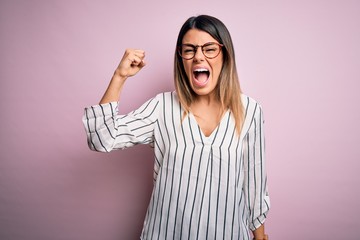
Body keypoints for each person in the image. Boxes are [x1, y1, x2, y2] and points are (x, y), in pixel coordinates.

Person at [82, 15, 270, 240]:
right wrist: (119, 76)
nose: (198, 56)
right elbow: (102, 138)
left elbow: (255, 186)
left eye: (209, 48)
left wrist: (260, 236)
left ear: (225, 55)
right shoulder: (161, 107)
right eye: (189, 50)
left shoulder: (250, 111)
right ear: (181, 57)